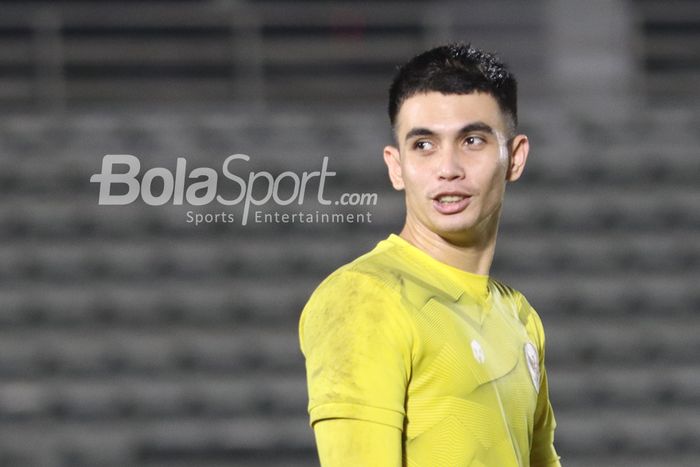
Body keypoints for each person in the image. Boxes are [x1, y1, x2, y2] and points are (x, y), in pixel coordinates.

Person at [298, 43, 561, 466]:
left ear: (515, 157)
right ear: (396, 166)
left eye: (472, 140)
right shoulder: (364, 298)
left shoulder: (520, 318)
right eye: (423, 145)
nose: (448, 168)